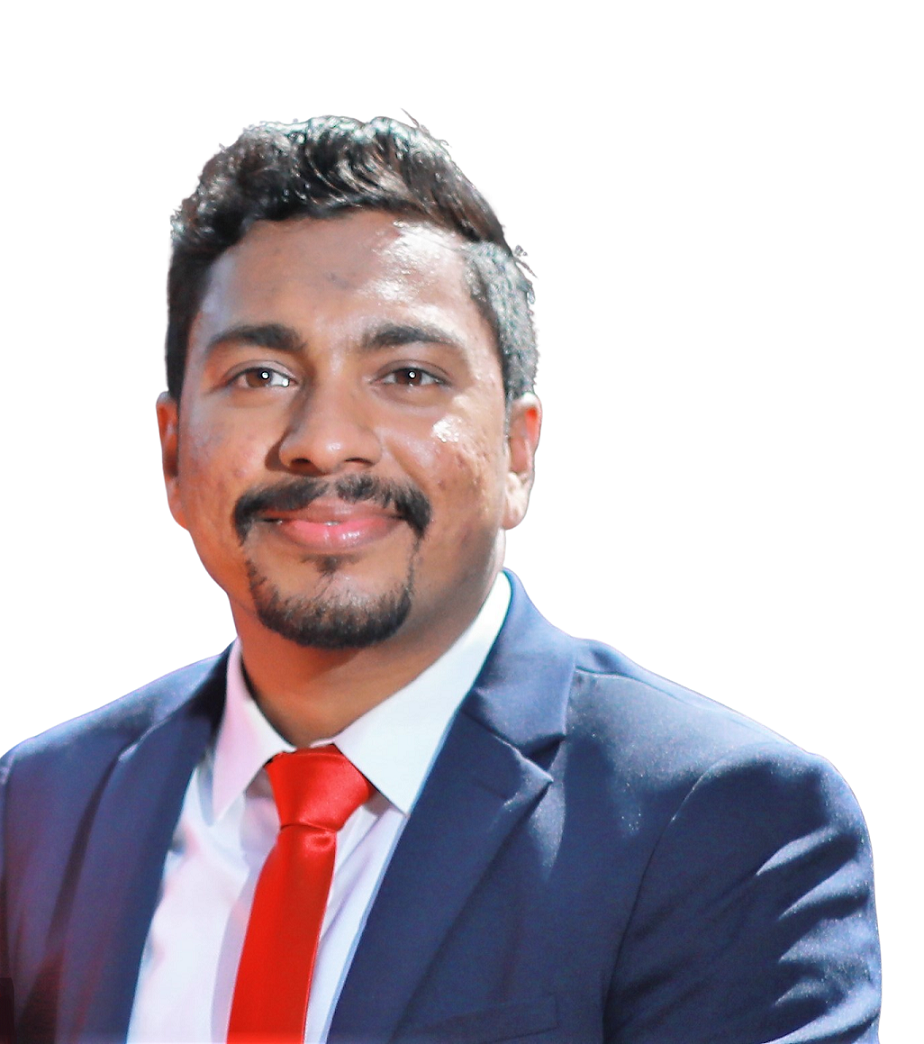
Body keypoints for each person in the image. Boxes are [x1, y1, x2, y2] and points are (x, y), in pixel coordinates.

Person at [0, 116, 881, 1044]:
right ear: (174, 453)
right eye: (260, 375)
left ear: (517, 454)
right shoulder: (38, 808)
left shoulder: (723, 824)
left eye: (408, 374)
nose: (324, 441)